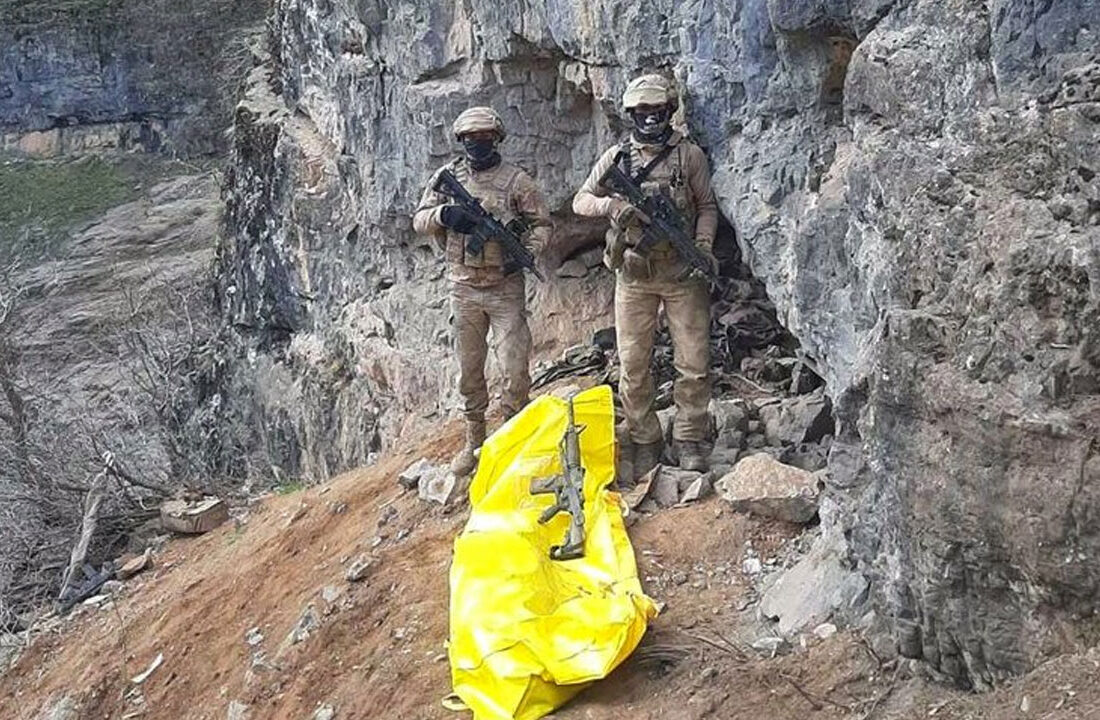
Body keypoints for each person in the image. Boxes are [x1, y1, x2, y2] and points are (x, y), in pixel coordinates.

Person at [572, 74, 719, 478]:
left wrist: (702, 246)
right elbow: (581, 200)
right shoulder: (618, 158)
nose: (650, 118)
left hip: (682, 274)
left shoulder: (688, 157)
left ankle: (689, 437)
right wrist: (612, 207)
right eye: (642, 111)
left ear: (669, 110)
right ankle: (644, 439)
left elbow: (707, 206)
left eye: (657, 110)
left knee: (693, 363)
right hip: (634, 278)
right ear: (630, 114)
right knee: (634, 365)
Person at [412, 106, 550, 476]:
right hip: (464, 287)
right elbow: (419, 219)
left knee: (515, 369)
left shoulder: (517, 181)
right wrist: (445, 216)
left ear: (497, 138)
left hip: (505, 288)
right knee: (469, 370)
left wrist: (524, 253)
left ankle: (512, 439)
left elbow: (542, 224)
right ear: (461, 140)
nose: (478, 143)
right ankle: (474, 441)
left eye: (485, 136)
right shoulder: (447, 177)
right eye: (470, 138)